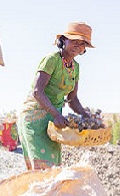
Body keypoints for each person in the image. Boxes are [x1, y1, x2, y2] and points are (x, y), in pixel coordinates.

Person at [17, 22, 94, 170]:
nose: (78, 45)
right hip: (35, 117)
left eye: (82, 43)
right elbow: (37, 91)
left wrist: (87, 116)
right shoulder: (52, 59)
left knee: (53, 168)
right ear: (63, 40)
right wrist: (55, 114)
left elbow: (72, 99)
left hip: (53, 121)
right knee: (41, 170)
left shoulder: (76, 67)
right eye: (74, 40)